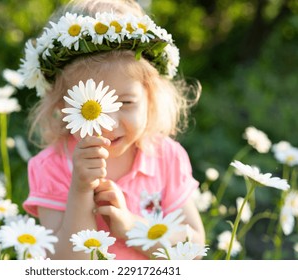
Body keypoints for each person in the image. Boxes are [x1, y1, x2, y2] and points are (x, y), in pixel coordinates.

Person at [21, 0, 205, 259]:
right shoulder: (51, 167)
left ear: (150, 97)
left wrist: (132, 228)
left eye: (126, 103)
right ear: (62, 106)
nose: (109, 124)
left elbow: (195, 248)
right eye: (91, 107)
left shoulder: (166, 158)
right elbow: (63, 264)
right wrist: (81, 189)